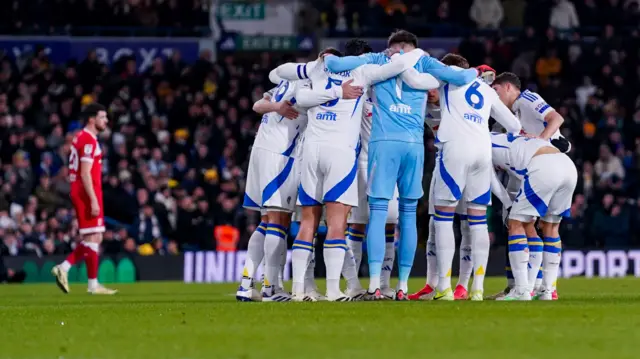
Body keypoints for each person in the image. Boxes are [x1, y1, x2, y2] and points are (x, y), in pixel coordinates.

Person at [325, 30, 478, 301]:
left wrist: (382, 62)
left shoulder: (378, 60)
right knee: (408, 215)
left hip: (383, 144)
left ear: (392, 48)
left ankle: (373, 284)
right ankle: (403, 286)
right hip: (413, 146)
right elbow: (465, 76)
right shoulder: (426, 63)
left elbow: (333, 65)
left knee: (378, 212)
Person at [278, 44, 426, 301]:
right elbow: (399, 67)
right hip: (341, 153)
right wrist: (409, 53)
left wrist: (324, 77)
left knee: (308, 223)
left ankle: (298, 290)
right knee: (338, 224)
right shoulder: (363, 71)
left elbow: (285, 82)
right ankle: (335, 290)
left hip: (311, 150)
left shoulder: (316, 70)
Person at [237, 48, 360, 302]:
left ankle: (247, 282)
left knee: (266, 221)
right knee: (278, 221)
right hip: (281, 153)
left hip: (261, 149)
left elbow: (258, 103)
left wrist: (275, 106)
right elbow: (297, 100)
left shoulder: (289, 78)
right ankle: (270, 288)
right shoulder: (310, 82)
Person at [403, 54, 521, 300]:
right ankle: (477, 289)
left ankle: (444, 287)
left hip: (455, 148)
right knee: (478, 222)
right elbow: (513, 125)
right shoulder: (487, 91)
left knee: (443, 219)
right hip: (482, 151)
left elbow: (416, 81)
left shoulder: (447, 80)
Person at [489, 72, 569, 300]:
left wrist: (541, 140)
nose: (495, 97)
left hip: (542, 165)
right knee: (544, 226)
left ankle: (524, 288)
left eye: (495, 91)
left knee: (522, 223)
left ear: (507, 87)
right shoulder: (508, 117)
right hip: (545, 167)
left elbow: (557, 119)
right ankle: (546, 288)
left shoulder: (527, 98)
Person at [343, 39, 400, 300]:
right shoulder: (347, 90)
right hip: (358, 165)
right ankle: (353, 286)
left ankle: (384, 284)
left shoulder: (383, 86)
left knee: (389, 225)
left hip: (386, 164)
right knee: (355, 226)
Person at [490, 132, 577, 300]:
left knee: (515, 223)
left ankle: (521, 290)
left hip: (543, 166)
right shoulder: (508, 139)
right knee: (550, 227)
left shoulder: (481, 144)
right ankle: (547, 290)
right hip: (567, 166)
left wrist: (508, 204)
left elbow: (491, 179)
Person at [51, 103, 117, 295]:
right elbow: (86, 173)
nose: (105, 121)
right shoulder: (88, 140)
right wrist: (93, 199)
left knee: (94, 237)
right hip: (87, 192)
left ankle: (90, 283)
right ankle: (65, 269)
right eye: (102, 117)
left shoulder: (80, 137)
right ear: (91, 119)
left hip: (83, 191)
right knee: (93, 237)